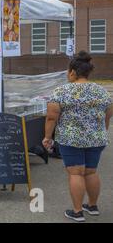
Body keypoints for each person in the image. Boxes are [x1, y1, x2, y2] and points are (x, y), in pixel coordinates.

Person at [43, 51, 113, 222]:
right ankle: (93, 206)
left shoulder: (61, 91)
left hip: (70, 138)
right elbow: (108, 114)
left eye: (68, 71)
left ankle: (77, 212)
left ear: (73, 72)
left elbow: (52, 116)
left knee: (76, 173)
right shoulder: (102, 91)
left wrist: (47, 137)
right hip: (96, 138)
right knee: (90, 172)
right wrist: (102, 130)